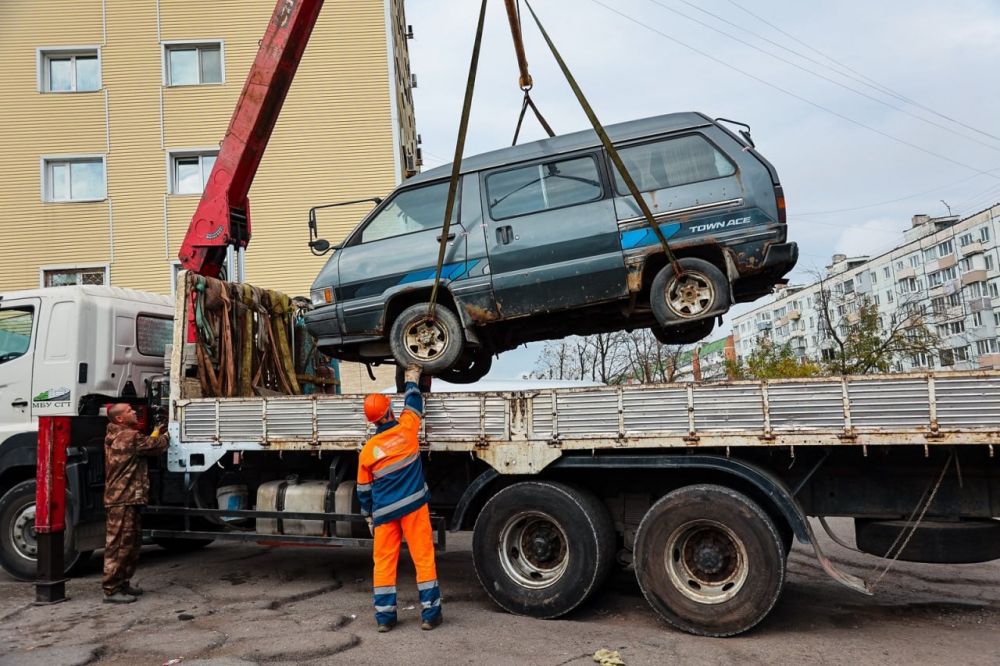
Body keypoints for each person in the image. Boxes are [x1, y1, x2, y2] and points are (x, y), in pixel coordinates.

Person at [358, 364, 442, 632]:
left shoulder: (368, 451)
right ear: (390, 411)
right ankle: (430, 615)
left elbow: (363, 491)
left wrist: (369, 516)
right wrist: (412, 380)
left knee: (383, 564)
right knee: (423, 558)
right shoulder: (407, 429)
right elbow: (414, 404)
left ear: (371, 421)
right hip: (414, 508)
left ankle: (385, 619)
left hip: (384, 514)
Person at [102, 403, 169, 603]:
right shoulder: (127, 437)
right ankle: (112, 589)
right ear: (120, 419)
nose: (134, 413)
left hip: (127, 498)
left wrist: (156, 432)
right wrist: (167, 434)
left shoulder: (124, 436)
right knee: (120, 544)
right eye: (130, 411)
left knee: (130, 543)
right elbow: (155, 446)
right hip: (122, 499)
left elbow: (146, 443)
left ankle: (122, 583)